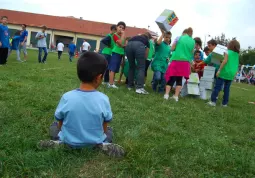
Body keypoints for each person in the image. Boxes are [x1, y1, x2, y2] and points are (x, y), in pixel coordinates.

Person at [38, 52, 125, 158]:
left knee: (54, 126)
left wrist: (62, 131)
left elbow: (60, 122)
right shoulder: (103, 99)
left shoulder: (67, 96)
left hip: (69, 140)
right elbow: (105, 126)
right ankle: (101, 144)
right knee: (110, 131)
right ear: (99, 77)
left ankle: (62, 142)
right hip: (95, 140)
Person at [164, 27, 195, 102]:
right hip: (185, 63)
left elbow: (172, 48)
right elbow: (192, 53)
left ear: (184, 33)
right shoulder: (193, 41)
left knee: (171, 77)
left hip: (176, 60)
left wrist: (176, 48)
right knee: (179, 79)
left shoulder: (179, 37)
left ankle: (166, 95)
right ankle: (176, 96)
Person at [208, 39, 240, 107]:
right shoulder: (237, 54)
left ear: (230, 45)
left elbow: (225, 61)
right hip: (231, 74)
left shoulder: (227, 52)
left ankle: (213, 101)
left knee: (217, 87)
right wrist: (235, 74)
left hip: (224, 72)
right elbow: (236, 64)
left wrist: (219, 70)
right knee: (227, 89)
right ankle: (224, 103)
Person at [151, 29, 172, 93]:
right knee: (157, 77)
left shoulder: (169, 47)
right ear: (164, 37)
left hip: (164, 65)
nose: (167, 39)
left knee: (164, 79)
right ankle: (154, 86)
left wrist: (169, 59)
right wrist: (162, 34)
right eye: (166, 37)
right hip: (157, 64)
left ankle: (161, 90)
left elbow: (170, 56)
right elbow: (157, 43)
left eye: (169, 38)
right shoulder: (160, 44)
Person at [108, 21, 126, 89]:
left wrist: (123, 44)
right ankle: (110, 83)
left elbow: (123, 44)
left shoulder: (121, 36)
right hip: (116, 53)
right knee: (113, 68)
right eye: (120, 27)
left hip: (120, 54)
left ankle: (112, 81)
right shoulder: (115, 35)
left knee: (115, 69)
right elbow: (120, 43)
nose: (121, 29)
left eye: (123, 28)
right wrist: (123, 35)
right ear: (117, 27)